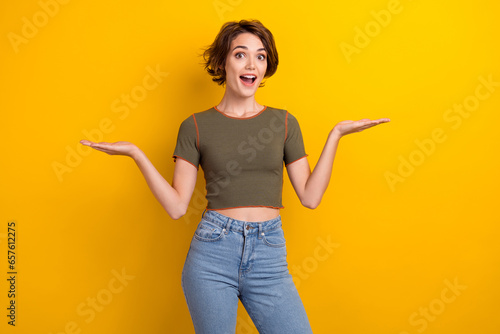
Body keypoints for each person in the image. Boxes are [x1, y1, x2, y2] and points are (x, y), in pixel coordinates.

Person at [80, 19, 390, 333]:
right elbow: (176, 207)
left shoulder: (284, 123)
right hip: (212, 254)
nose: (252, 64)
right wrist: (136, 154)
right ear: (222, 62)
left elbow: (310, 197)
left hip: (269, 254)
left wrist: (336, 134)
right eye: (240, 54)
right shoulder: (196, 126)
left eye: (261, 56)